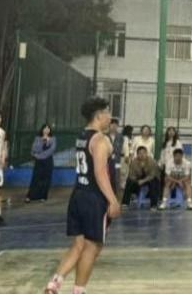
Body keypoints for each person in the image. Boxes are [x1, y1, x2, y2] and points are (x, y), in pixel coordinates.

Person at [44, 97, 120, 294]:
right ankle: (79, 290)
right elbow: (100, 173)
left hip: (78, 194)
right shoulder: (100, 140)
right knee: (92, 247)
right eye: (108, 112)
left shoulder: (82, 136)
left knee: (78, 245)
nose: (110, 117)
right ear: (99, 115)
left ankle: (54, 284)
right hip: (94, 198)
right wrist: (113, 200)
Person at [122, 146, 161, 210]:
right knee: (129, 181)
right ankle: (125, 203)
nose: (142, 155)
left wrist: (143, 181)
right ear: (137, 155)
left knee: (154, 181)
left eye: (143, 153)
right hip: (138, 180)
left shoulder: (152, 161)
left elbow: (152, 175)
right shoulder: (134, 162)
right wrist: (137, 181)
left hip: (150, 179)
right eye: (140, 153)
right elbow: (131, 175)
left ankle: (154, 205)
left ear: (146, 153)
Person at [26, 123, 56, 202]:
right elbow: (34, 149)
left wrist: (40, 155)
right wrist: (42, 141)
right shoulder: (37, 138)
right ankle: (30, 196)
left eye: (48, 128)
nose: (46, 130)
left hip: (48, 161)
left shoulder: (53, 139)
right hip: (38, 161)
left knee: (46, 179)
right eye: (45, 128)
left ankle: (43, 196)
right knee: (36, 178)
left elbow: (51, 150)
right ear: (42, 130)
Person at [107, 119, 125, 194]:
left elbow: (121, 149)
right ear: (109, 125)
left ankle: (116, 194)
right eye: (112, 125)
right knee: (107, 177)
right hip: (107, 160)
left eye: (115, 125)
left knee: (117, 177)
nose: (114, 127)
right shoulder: (105, 135)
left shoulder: (120, 136)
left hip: (117, 160)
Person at [118, 125, 133, 200]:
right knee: (124, 175)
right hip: (124, 158)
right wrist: (127, 158)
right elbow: (126, 148)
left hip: (125, 158)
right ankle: (122, 194)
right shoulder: (126, 138)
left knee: (124, 176)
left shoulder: (124, 137)